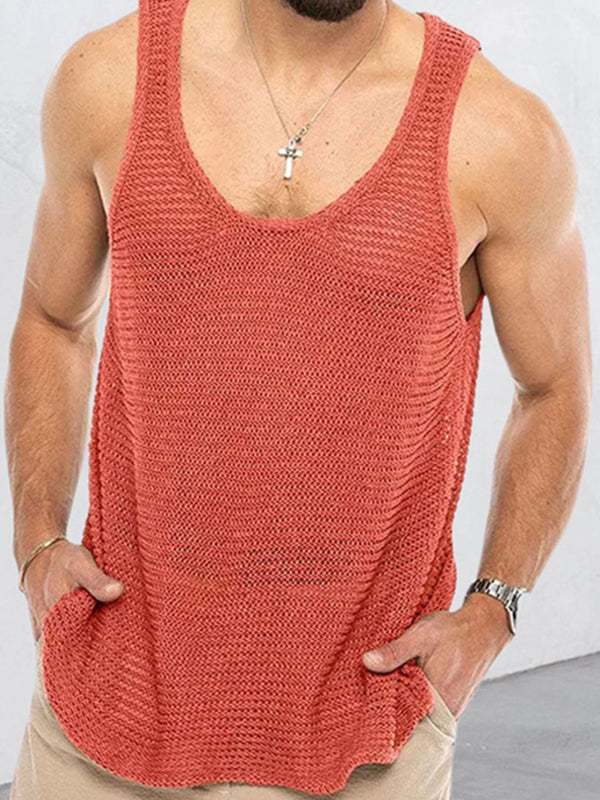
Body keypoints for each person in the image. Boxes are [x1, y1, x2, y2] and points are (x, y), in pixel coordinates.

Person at [7, 1, 591, 799]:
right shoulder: (110, 80)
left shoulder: (499, 133)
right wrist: (37, 540)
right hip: (105, 709)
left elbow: (555, 386)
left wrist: (496, 606)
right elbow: (52, 319)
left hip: (366, 730)